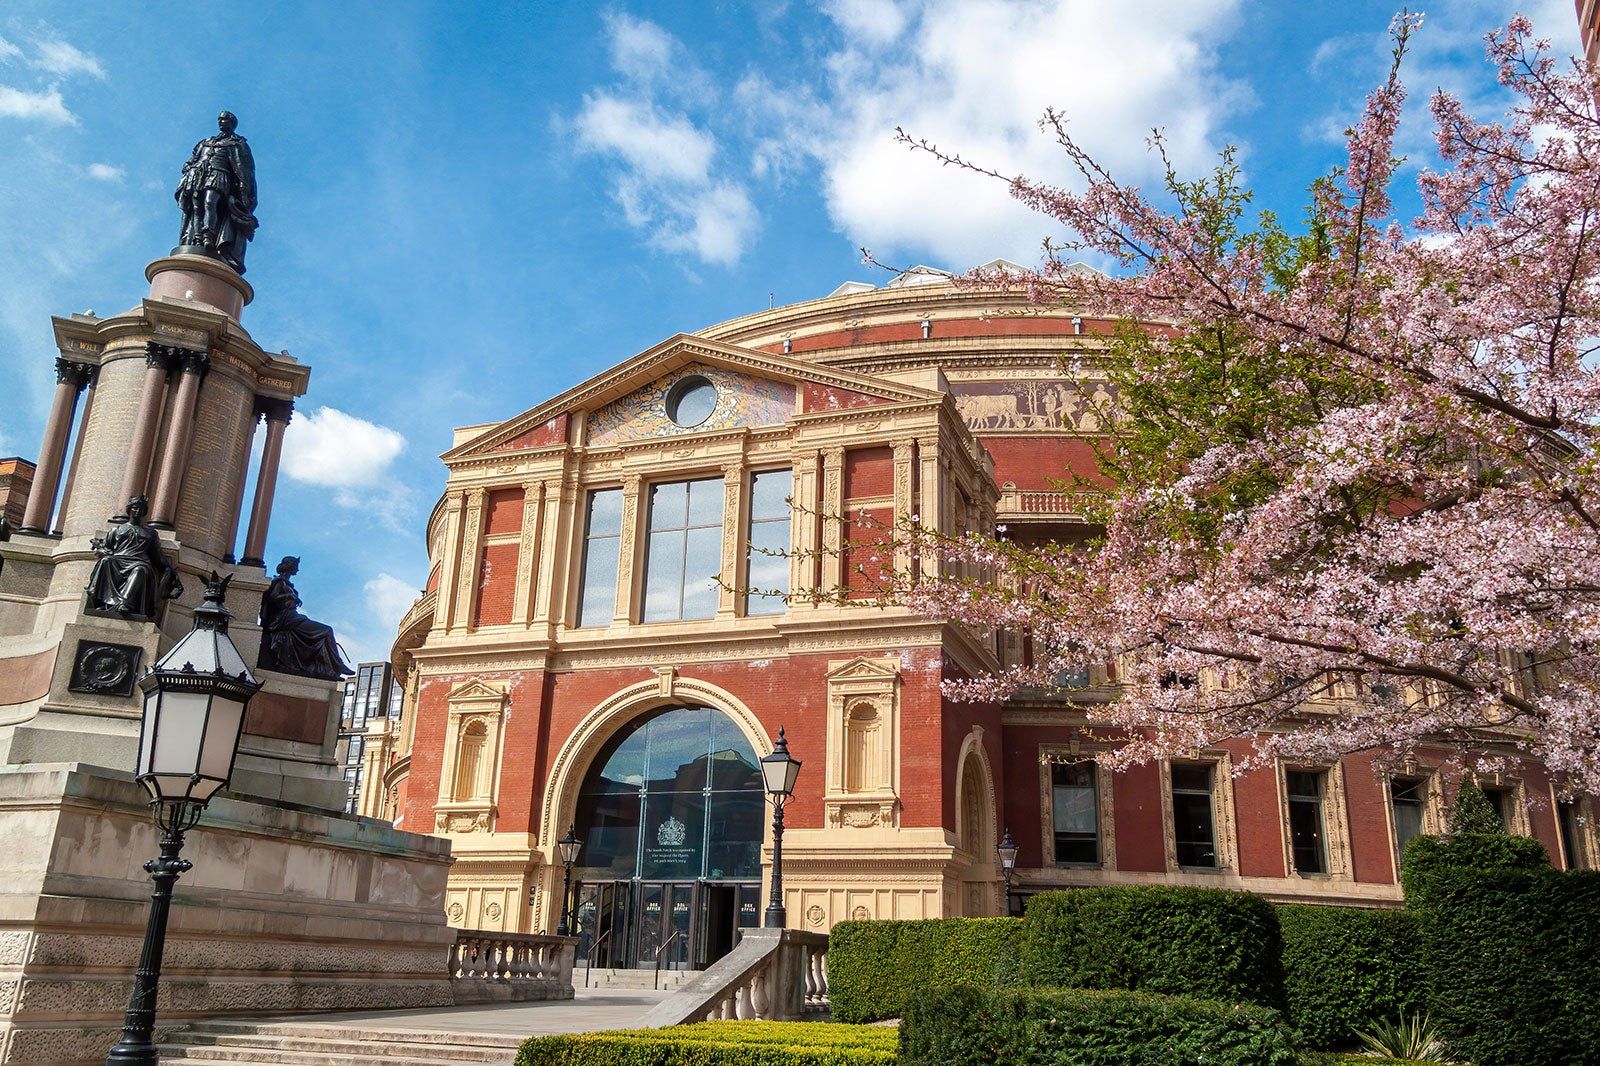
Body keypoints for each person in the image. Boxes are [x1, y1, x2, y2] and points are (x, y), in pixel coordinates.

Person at [176, 111, 258, 273]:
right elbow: (192, 160)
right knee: (196, 208)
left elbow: (244, 169)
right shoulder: (206, 142)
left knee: (210, 202)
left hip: (219, 175)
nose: (221, 121)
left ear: (232, 123)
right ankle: (197, 237)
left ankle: (208, 235)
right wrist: (190, 168)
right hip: (198, 177)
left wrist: (244, 190)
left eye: (224, 119)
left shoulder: (237, 143)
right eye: (219, 119)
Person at [84, 496, 183, 618]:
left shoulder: (150, 533)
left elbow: (158, 557)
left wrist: (172, 572)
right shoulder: (117, 530)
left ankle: (124, 603)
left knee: (140, 570)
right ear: (129, 509)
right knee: (106, 561)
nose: (138, 511)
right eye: (135, 508)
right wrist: (101, 551)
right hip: (118, 560)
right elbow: (104, 547)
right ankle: (97, 598)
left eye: (141, 509)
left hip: (139, 561)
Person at [258, 557, 351, 680]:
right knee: (327, 630)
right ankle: (338, 665)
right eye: (296, 566)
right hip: (284, 619)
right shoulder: (279, 582)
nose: (298, 569)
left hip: (291, 617)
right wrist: (291, 596)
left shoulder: (286, 583)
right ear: (290, 566)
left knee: (325, 632)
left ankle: (332, 666)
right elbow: (273, 598)